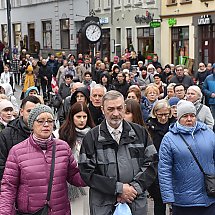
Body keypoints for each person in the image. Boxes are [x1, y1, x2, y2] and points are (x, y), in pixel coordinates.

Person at [79, 90, 158, 215]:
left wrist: (133, 189)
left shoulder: (140, 133)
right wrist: (118, 189)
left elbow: (152, 163)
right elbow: (86, 172)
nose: (115, 113)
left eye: (119, 108)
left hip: (135, 202)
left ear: (124, 108)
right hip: (103, 206)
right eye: (110, 109)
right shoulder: (92, 137)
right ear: (102, 109)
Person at [0, 104, 85, 214]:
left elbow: (74, 176)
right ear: (32, 124)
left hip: (59, 210)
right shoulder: (17, 151)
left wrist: (92, 172)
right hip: (31, 212)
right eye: (40, 121)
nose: (46, 125)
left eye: (50, 121)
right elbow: (9, 187)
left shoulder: (63, 147)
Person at [159, 100, 215, 215]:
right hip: (183, 202)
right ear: (178, 118)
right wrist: (168, 197)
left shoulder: (208, 133)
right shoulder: (169, 138)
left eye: (192, 115)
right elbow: (164, 170)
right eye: (185, 116)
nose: (189, 119)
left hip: (209, 197)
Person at [56, 102, 95, 215]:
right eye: (78, 116)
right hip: (69, 183)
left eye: (84, 116)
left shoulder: (94, 134)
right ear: (72, 117)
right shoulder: (62, 135)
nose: (82, 120)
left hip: (90, 181)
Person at [0, 96, 41, 181]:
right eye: (29, 111)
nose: (33, 115)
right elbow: (2, 165)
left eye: (37, 112)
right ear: (21, 112)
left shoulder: (46, 133)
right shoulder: (7, 134)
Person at [146, 100, 173, 215]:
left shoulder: (174, 125)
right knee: (159, 201)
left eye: (166, 114)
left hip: (172, 166)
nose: (163, 118)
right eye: (160, 115)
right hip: (156, 167)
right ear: (155, 113)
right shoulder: (149, 127)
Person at [202, 63, 215, 131]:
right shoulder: (208, 78)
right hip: (212, 102)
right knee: (213, 119)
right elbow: (204, 88)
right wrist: (210, 94)